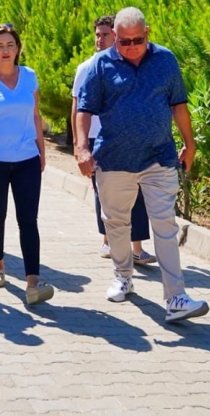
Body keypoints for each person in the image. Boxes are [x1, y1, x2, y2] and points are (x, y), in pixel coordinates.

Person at [76, 7, 209, 323]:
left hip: (158, 157)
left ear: (147, 33)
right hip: (115, 159)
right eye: (124, 42)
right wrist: (81, 147)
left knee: (164, 224)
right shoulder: (100, 65)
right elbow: (83, 109)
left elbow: (178, 105)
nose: (131, 47)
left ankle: (175, 297)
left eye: (137, 40)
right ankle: (123, 275)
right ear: (116, 38)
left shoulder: (165, 60)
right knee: (117, 223)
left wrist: (190, 144)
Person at [0, 24, 54, 305]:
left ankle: (33, 281)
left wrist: (41, 151)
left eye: (10, 45)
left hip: (27, 160)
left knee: (28, 220)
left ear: (18, 48)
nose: (5, 51)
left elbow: (35, 114)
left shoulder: (29, 77)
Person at [70, 15, 155, 264]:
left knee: (136, 191)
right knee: (104, 192)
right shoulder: (86, 68)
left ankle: (137, 247)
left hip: (126, 137)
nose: (100, 39)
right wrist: (79, 144)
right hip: (97, 138)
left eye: (105, 34)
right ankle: (107, 240)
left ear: (116, 36)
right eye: (97, 34)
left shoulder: (131, 66)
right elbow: (76, 107)